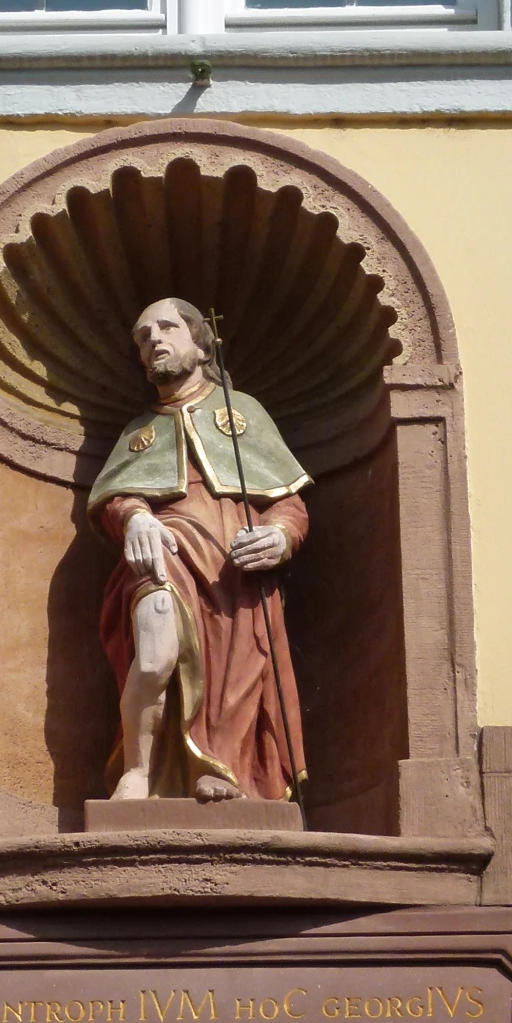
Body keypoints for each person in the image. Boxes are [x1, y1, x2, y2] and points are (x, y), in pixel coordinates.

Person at [88, 297, 309, 802]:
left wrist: (278, 537)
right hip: (163, 551)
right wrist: (135, 516)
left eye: (166, 329)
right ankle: (138, 769)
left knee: (237, 668)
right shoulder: (137, 432)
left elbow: (289, 506)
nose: (153, 342)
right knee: (154, 653)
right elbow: (117, 498)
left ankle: (223, 766)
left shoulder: (242, 411)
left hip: (233, 568)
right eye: (143, 337)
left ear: (201, 342)